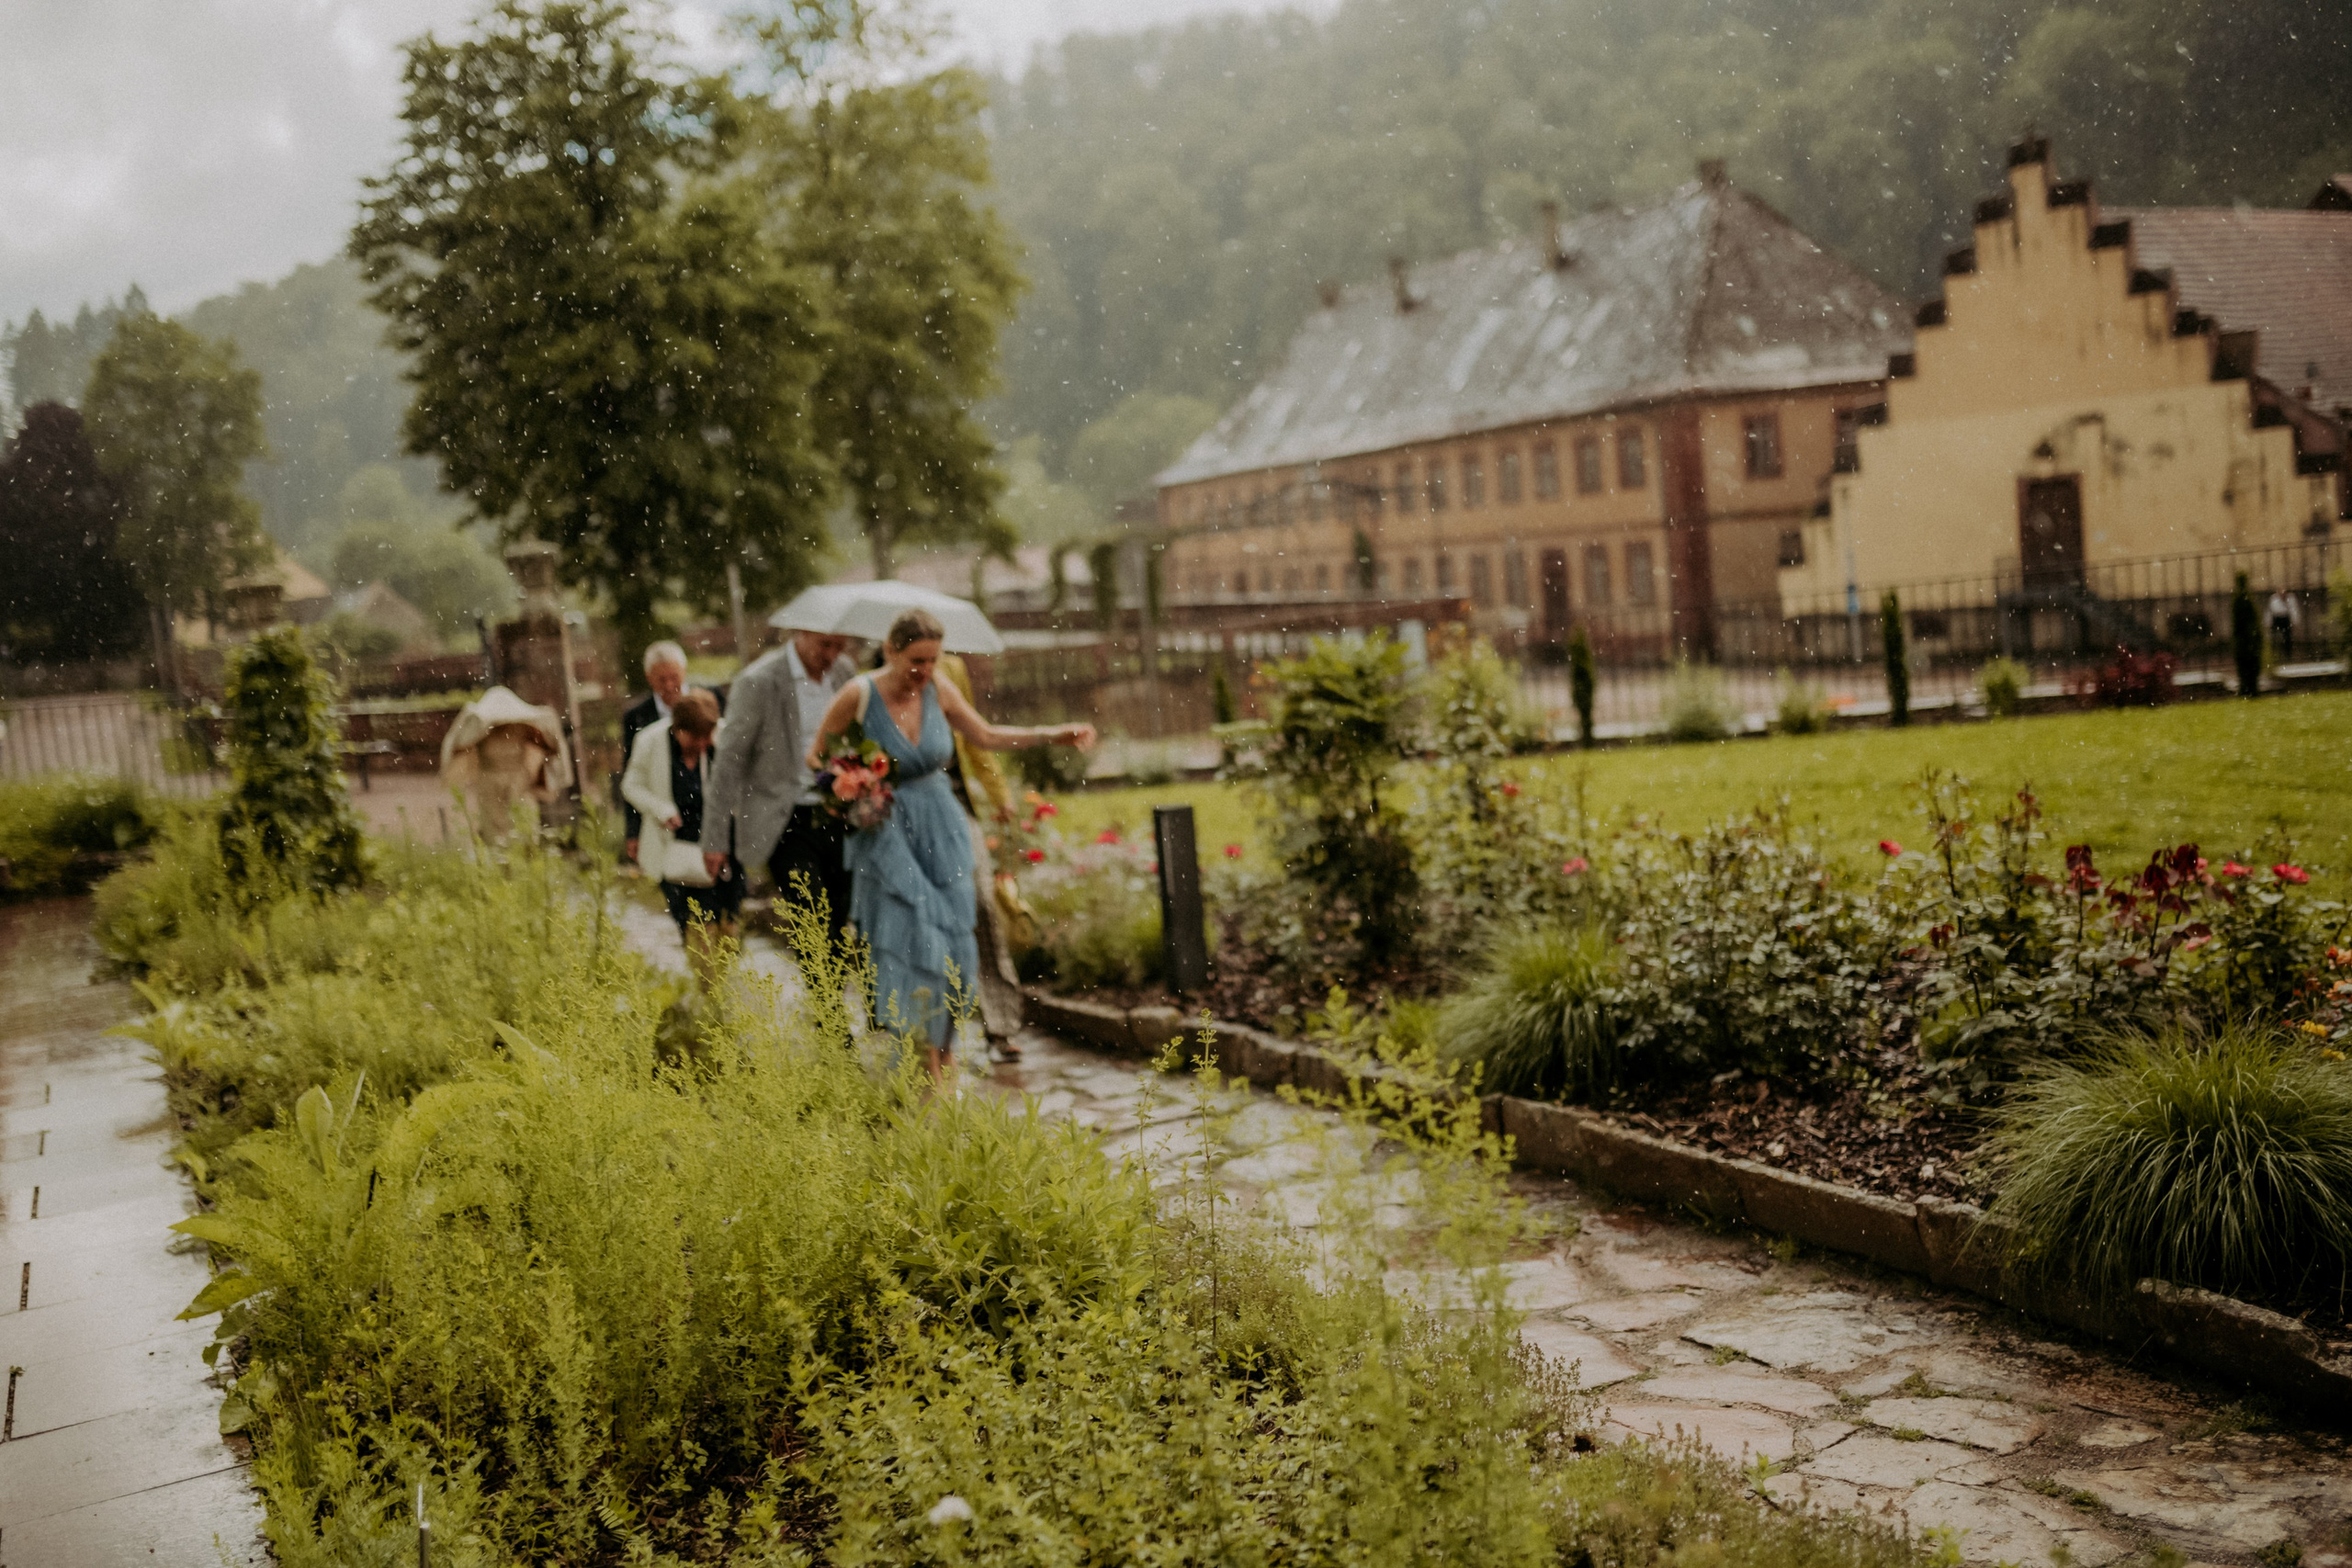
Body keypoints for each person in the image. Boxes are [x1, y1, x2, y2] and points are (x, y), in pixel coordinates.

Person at [804, 607, 1093, 1078]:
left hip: (944, 827)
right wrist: (852, 780)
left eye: (934, 660)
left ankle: (945, 1049)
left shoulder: (939, 688)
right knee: (910, 937)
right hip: (888, 831)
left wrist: (1052, 734)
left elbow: (985, 734)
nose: (925, 671)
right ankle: (918, 1057)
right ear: (891, 650)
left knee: (954, 940)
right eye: (917, 660)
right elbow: (818, 755)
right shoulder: (858, 694)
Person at [701, 623, 859, 948]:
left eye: (840, 646)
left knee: (842, 918)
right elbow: (729, 762)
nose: (832, 655)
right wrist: (715, 838)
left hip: (838, 813)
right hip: (785, 819)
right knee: (812, 917)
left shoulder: (845, 674)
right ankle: (824, 998)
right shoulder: (759, 681)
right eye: (824, 645)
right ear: (801, 633)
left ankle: (831, 995)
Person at [622, 690, 741, 976]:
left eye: (707, 737)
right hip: (675, 851)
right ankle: (708, 997)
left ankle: (728, 990)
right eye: (695, 737)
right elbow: (631, 785)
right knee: (696, 925)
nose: (702, 744)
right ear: (678, 729)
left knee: (729, 924)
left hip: (721, 847)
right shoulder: (649, 741)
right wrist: (661, 809)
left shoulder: (722, 739)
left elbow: (739, 787)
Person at [619, 641, 724, 865]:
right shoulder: (637, 718)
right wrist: (633, 831)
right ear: (649, 678)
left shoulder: (711, 698)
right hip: (669, 821)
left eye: (674, 677)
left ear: (684, 672)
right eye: (661, 679)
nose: (669, 685)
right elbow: (633, 777)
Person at [440, 685, 573, 840]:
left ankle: (523, 856)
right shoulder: (481, 728)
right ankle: (498, 858)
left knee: (523, 822)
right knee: (494, 826)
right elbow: (459, 743)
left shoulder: (523, 727)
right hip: (489, 782)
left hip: (518, 780)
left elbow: (549, 744)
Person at [2267, 589, 2300, 662]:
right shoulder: (2274, 599)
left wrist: (2295, 622)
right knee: (2274, 637)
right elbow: (2270, 611)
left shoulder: (2290, 599)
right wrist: (2268, 623)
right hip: (2277, 618)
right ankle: (2273, 654)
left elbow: (2294, 610)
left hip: (2285, 618)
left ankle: (2288, 655)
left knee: (2287, 637)